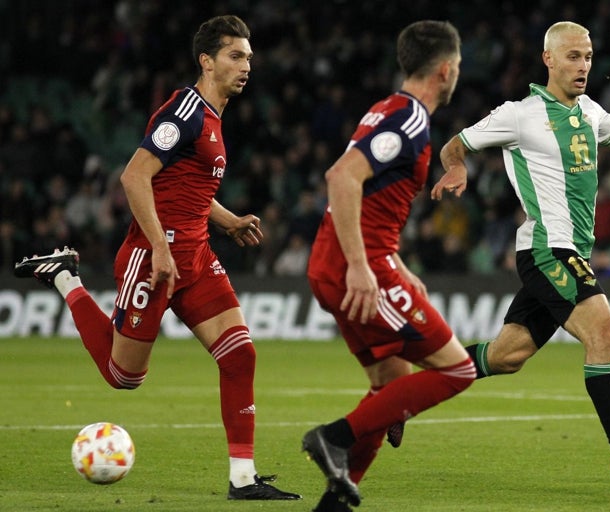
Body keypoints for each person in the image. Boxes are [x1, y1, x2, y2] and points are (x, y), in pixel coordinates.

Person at [13, 15, 299, 500]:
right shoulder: (184, 112)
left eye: (249, 57)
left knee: (240, 355)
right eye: (235, 56)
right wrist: (162, 250)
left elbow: (185, 186)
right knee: (123, 377)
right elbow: (134, 176)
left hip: (195, 255)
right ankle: (65, 277)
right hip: (152, 258)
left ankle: (243, 478)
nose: (247, 66)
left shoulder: (213, 115)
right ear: (207, 61)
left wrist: (226, 220)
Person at [432, 21, 610, 491]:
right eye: (573, 56)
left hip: (570, 250)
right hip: (547, 249)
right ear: (548, 59)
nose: (583, 65)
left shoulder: (589, 110)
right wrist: (457, 168)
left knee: (507, 356)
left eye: (588, 56)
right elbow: (453, 146)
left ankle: (406, 392)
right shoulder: (519, 114)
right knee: (603, 332)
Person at [302, 20, 474, 512]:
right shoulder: (409, 119)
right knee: (458, 370)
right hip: (358, 267)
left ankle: (332, 507)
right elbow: (342, 177)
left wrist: (394, 261)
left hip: (339, 262)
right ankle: (333, 437)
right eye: (458, 66)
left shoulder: (388, 109)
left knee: (392, 387)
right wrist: (363, 266)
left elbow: (373, 198)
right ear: (446, 70)